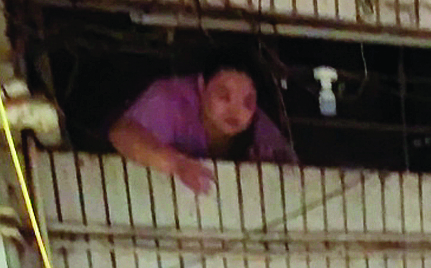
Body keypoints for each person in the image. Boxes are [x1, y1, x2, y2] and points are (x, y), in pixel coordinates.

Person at [109, 66, 297, 193]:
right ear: (201, 85)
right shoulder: (169, 99)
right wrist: (177, 164)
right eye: (224, 95)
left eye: (248, 102)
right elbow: (121, 134)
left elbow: (293, 175)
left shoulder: (260, 127)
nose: (236, 111)